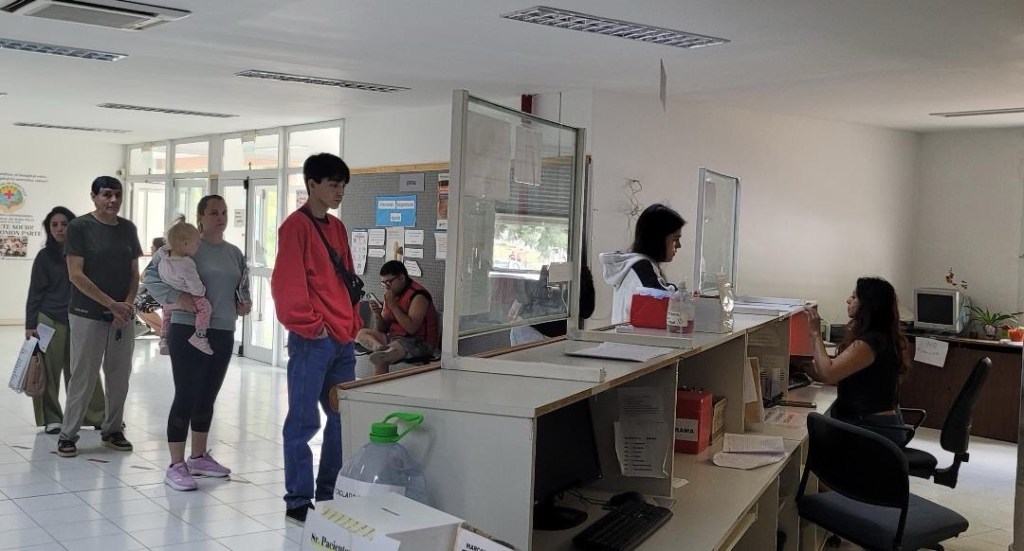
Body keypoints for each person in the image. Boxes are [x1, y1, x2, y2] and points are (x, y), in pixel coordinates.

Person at [272, 153, 360, 525]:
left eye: (342, 185)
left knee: (342, 418)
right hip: (313, 338)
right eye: (333, 184)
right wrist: (311, 325)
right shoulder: (296, 226)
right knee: (303, 421)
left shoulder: (337, 229)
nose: (339, 191)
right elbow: (287, 284)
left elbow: (348, 280)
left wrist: (353, 323)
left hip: (342, 337)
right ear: (312, 185)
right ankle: (297, 498)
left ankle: (329, 494)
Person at [143, 195, 251, 491]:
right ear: (200, 217)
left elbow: (241, 285)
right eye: (214, 212)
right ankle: (176, 464)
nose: (221, 217)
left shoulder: (233, 252)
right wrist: (178, 298)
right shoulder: (183, 247)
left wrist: (244, 303)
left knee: (207, 395)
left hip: (222, 329)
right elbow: (149, 278)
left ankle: (199, 457)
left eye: (225, 212)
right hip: (187, 329)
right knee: (187, 395)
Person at [57, 176, 143, 458]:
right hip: (87, 314)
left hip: (122, 316)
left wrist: (126, 306)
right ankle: (68, 434)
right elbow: (76, 275)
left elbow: (134, 272)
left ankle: (113, 430)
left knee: (119, 375)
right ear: (93, 196)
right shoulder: (80, 227)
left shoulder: (128, 228)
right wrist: (111, 304)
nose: (113, 200)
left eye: (117, 195)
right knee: (84, 375)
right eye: (106, 195)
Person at [25, 206, 106, 435]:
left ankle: (97, 415)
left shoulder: (85, 254)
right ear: (49, 229)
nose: (59, 229)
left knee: (84, 370)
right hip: (49, 320)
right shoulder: (44, 257)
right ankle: (52, 418)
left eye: (64, 224)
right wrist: (30, 324)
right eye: (54, 225)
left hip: (81, 318)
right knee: (48, 372)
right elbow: (35, 292)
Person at [803, 276, 911, 446]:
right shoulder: (883, 336)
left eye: (854, 297)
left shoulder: (870, 342)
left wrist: (815, 334)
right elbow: (849, 379)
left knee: (812, 430)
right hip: (880, 427)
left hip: (872, 431)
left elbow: (830, 373)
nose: (848, 300)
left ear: (869, 305)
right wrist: (808, 370)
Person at [600, 203, 686, 324]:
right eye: (675, 239)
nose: (679, 245)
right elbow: (667, 302)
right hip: (634, 341)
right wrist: (682, 294)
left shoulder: (635, 266)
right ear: (658, 239)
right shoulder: (642, 267)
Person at [355, 260, 439, 375]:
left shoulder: (419, 296)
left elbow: (411, 328)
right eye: (384, 283)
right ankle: (379, 349)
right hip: (394, 338)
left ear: (401, 278)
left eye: (389, 282)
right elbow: (382, 329)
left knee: (383, 359)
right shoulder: (390, 294)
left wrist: (393, 306)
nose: (386, 287)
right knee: (361, 334)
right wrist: (377, 314)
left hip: (419, 342)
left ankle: (384, 358)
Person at [155, 217, 214, 355]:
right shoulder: (187, 264)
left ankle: (164, 338)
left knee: (166, 316)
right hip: (188, 299)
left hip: (169, 302)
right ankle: (199, 336)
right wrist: (202, 291)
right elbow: (195, 287)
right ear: (186, 243)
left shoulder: (163, 258)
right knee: (206, 308)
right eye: (197, 243)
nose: (198, 246)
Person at [135, 237, 166, 336]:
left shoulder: (160, 261)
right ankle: (162, 331)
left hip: (162, 292)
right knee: (134, 301)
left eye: (153, 246)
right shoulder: (156, 261)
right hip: (154, 291)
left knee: (139, 305)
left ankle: (163, 332)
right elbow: (143, 278)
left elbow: (143, 277)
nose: (151, 248)